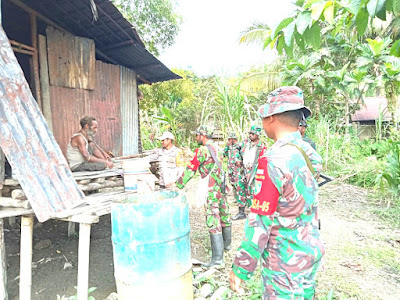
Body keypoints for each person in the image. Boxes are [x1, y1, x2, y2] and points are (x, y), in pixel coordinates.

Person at [229, 86, 325, 299]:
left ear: (270, 117)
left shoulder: (273, 160)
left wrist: (241, 267)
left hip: (285, 263)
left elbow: (260, 222)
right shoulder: (308, 152)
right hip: (309, 251)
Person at [173, 125, 232, 268]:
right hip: (220, 188)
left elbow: (191, 169)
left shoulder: (202, 151)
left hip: (210, 190)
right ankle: (227, 247)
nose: (196, 138)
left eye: (197, 135)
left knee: (213, 219)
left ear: (202, 136)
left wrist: (179, 185)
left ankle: (218, 259)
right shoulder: (218, 148)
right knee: (225, 215)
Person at [233, 125, 264, 220]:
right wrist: (237, 159)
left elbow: (261, 161)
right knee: (240, 189)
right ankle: (241, 211)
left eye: (253, 134)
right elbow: (235, 148)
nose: (250, 135)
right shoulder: (245, 143)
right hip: (243, 169)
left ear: (258, 135)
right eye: (250, 133)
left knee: (252, 191)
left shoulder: (261, 146)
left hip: (254, 171)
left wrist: (252, 173)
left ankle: (253, 213)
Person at [223, 132, 243, 208]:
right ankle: (236, 199)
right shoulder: (229, 146)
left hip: (237, 170)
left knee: (238, 185)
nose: (228, 140)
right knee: (232, 184)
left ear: (233, 139)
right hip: (231, 169)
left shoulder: (239, 146)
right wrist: (226, 147)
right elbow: (224, 154)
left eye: (229, 139)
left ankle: (241, 202)